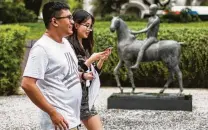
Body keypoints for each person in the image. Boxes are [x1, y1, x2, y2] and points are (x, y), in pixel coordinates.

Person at [21, 2, 86, 130]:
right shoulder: (42, 48)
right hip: (59, 122)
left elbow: (65, 74)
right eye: (68, 18)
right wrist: (52, 112)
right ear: (55, 22)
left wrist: (83, 75)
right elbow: (27, 84)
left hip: (72, 118)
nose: (72, 22)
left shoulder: (65, 43)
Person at [67, 9, 111, 130]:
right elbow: (71, 73)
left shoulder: (85, 47)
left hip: (85, 99)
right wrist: (90, 60)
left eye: (90, 26)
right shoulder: (67, 46)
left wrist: (101, 60)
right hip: (72, 100)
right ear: (76, 25)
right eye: (86, 25)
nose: (89, 29)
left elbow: (91, 75)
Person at [130, 4, 160, 69]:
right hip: (147, 38)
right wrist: (136, 34)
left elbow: (147, 29)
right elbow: (146, 29)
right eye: (149, 9)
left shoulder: (156, 19)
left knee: (142, 48)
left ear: (155, 11)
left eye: (152, 10)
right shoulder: (150, 18)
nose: (150, 11)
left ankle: (137, 65)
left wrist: (135, 32)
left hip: (152, 38)